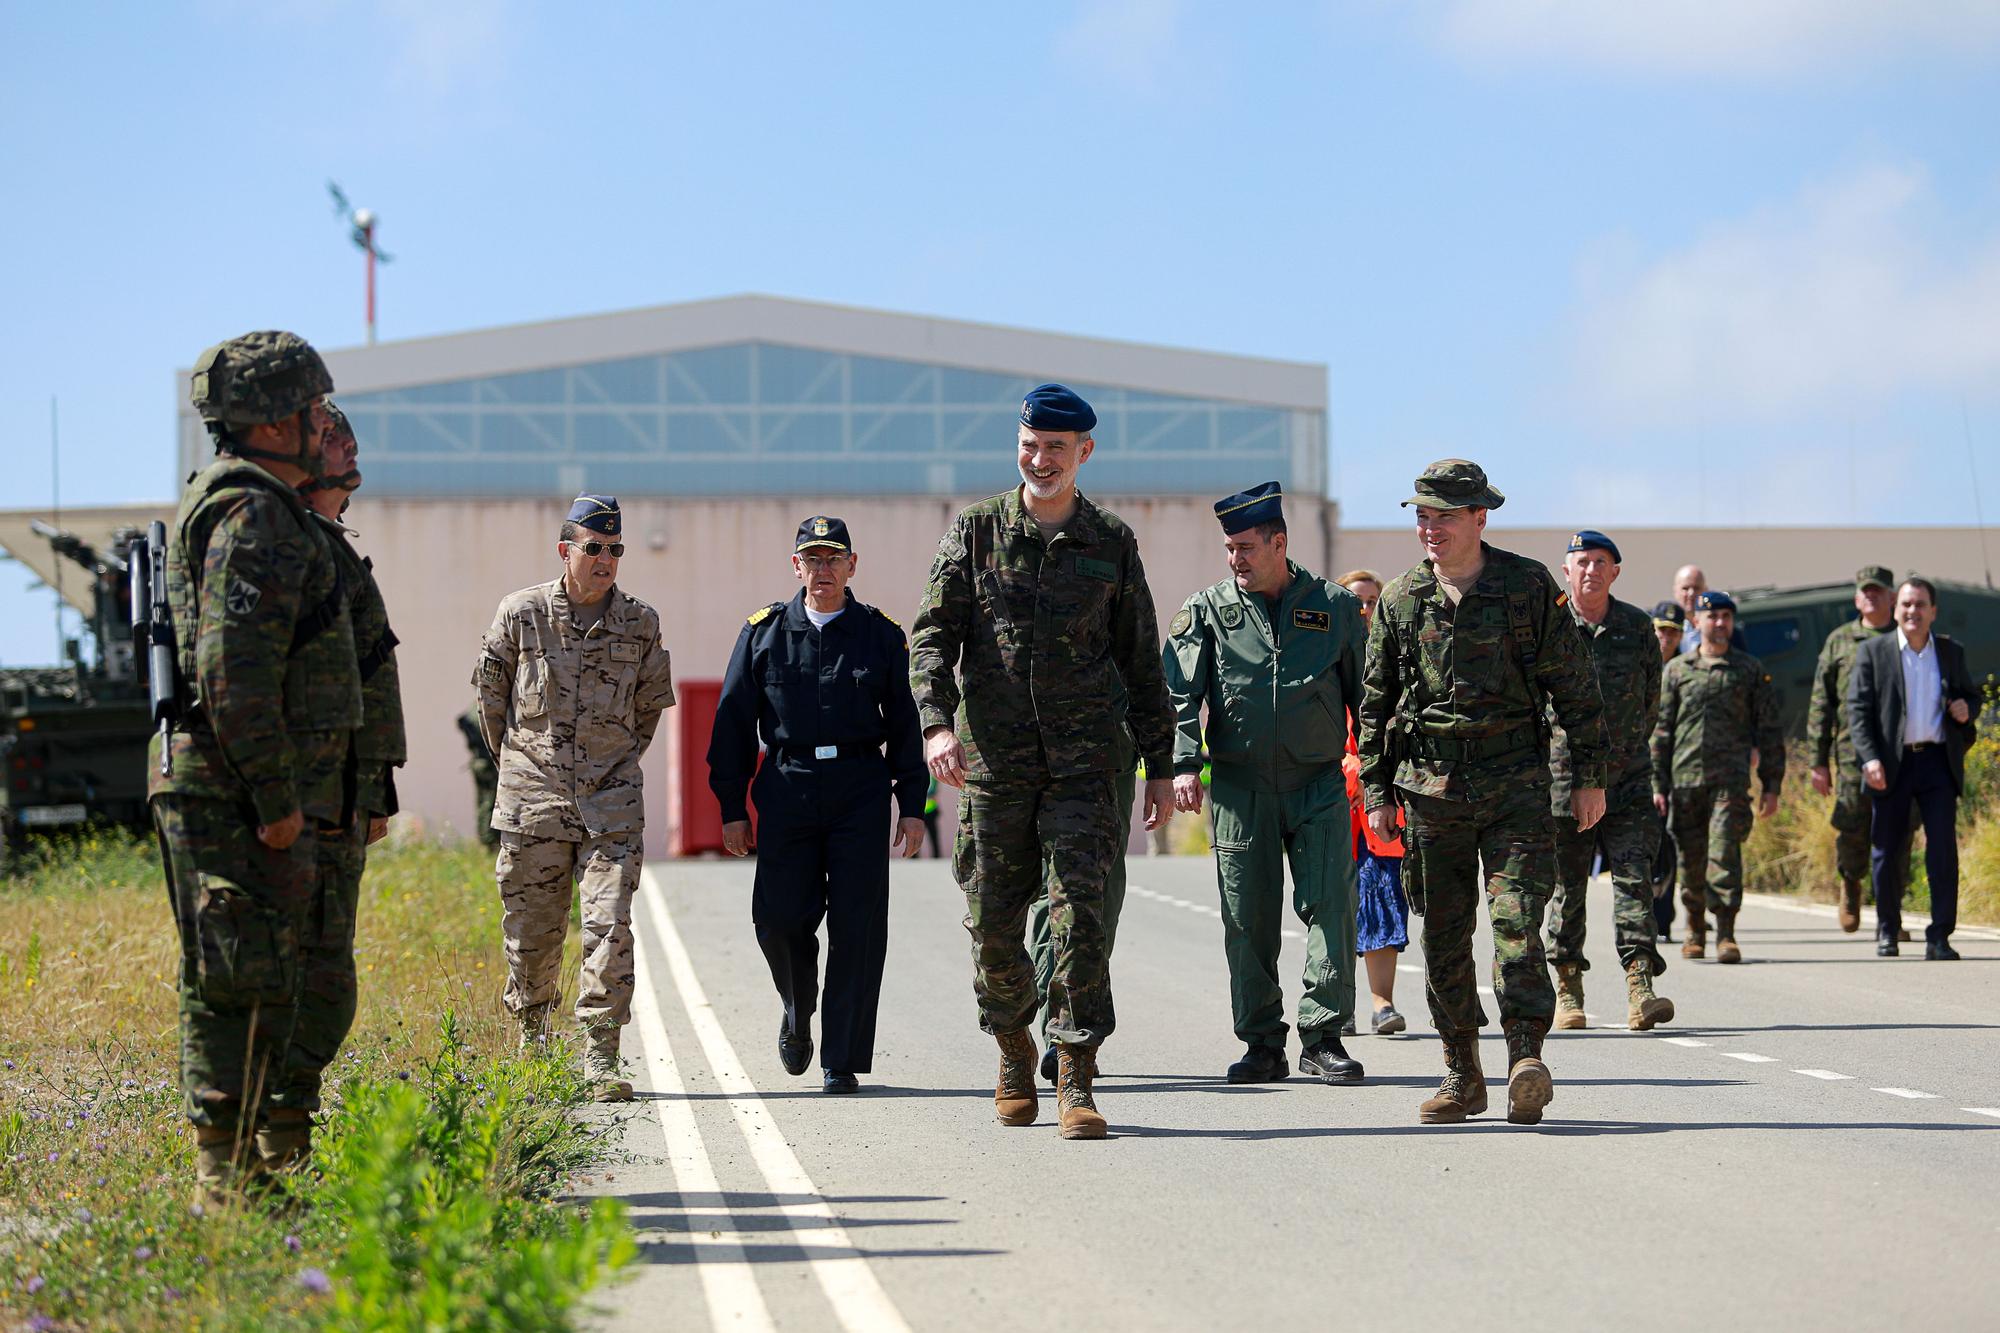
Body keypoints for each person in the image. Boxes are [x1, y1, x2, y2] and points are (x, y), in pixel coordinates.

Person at [910, 383, 1176, 1141]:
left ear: (1083, 453)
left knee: (1080, 917)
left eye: (1055, 448)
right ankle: (1012, 1042)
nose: (1040, 459)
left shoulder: (1111, 542)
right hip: (994, 762)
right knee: (993, 921)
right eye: (1030, 444)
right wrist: (935, 724)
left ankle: (1075, 1070)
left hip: (1089, 763)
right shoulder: (974, 532)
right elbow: (933, 635)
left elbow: (1139, 659)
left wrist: (1161, 763)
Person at [152, 331, 359, 1202]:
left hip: (249, 788)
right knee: (234, 977)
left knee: (266, 972)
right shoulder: (254, 515)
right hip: (235, 792)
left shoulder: (261, 505)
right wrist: (276, 798)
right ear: (274, 421)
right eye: (312, 410)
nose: (323, 424)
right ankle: (223, 1178)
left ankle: (246, 1167)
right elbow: (232, 671)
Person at [1357, 460, 1608, 1127]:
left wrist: (1589, 775)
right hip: (1430, 794)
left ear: (1479, 518)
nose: (1429, 527)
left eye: (1443, 515)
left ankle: (1526, 1055)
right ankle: (1461, 1071)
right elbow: (1376, 702)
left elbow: (1577, 689)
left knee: (1517, 924)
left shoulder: (1527, 588)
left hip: (1515, 788)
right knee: (1443, 939)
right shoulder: (1401, 599)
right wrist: (1377, 791)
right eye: (1422, 515)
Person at [707, 516, 927, 1094]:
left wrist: (912, 805)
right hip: (788, 784)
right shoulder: (763, 634)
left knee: (858, 926)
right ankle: (797, 1006)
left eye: (833, 558)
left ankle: (842, 1057)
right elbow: (731, 724)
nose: (822, 569)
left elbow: (905, 725)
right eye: (812, 558)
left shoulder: (880, 635)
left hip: (859, 785)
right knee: (778, 919)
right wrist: (732, 806)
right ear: (795, 565)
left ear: (852, 565)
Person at [473, 495, 676, 1101]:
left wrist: (607, 767)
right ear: (567, 551)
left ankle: (600, 1054)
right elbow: (491, 705)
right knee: (532, 931)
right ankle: (533, 1039)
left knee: (608, 926)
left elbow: (647, 710)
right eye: (595, 548)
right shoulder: (521, 613)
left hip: (611, 803)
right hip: (532, 800)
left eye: (615, 550)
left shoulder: (641, 622)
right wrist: (525, 767)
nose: (607, 559)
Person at [1162, 484, 1366, 1085]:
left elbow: (1369, 698)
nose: (1236, 559)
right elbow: (1180, 694)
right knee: (1246, 917)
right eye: (1229, 549)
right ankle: (1261, 1043)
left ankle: (1324, 1037)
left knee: (1331, 908)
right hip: (1239, 787)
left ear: (1280, 542)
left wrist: (1377, 777)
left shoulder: (1333, 607)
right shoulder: (1206, 610)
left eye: (1247, 547)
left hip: (1319, 785)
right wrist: (1182, 764)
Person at [260, 402, 408, 1170]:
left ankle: (285, 1138)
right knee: (308, 978)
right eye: (327, 436)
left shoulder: (331, 547)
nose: (344, 446)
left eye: (345, 435)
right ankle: (271, 1143)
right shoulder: (292, 544)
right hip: (306, 800)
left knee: (326, 974)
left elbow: (362, 675)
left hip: (340, 797)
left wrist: (375, 789)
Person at [1545, 532, 1675, 1032]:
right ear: (1567, 569)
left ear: (1615, 572)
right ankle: (1568, 987)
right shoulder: (1552, 626)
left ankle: (1640, 986)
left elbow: (1650, 704)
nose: (1592, 570)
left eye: (1601, 562)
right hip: (1565, 779)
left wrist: (1620, 751)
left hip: (1628, 779)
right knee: (1567, 887)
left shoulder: (1637, 627)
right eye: (1583, 562)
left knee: (1634, 882)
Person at [1848, 577, 1983, 960]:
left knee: (1942, 851)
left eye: (1921, 604)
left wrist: (1966, 709)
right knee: (1887, 851)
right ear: (1895, 609)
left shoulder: (1949, 652)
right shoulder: (1875, 653)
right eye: (1906, 604)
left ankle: (1939, 936)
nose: (1913, 611)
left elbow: (1971, 696)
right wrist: (1869, 757)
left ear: (1933, 611)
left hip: (1938, 763)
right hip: (1892, 764)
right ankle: (1888, 929)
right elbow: (1857, 712)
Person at [1652, 591, 1783, 963]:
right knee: (1691, 859)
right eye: (1712, 617)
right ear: (1697, 622)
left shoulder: (1749, 670)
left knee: (1725, 853)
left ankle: (1726, 931)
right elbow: (1661, 733)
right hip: (1685, 781)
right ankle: (1695, 928)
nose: (1720, 623)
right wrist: (1658, 785)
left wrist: (1772, 784)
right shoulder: (1677, 672)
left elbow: (1769, 729)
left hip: (1730, 782)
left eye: (1726, 616)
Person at [1028, 737, 1138, 1083]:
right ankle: (1059, 1037)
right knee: (1055, 901)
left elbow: (1150, 689)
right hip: (1037, 754)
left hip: (1111, 757)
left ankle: (1078, 1027)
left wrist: (1165, 769)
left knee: (1101, 902)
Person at [1805, 566, 1899, 933]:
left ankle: (1891, 912)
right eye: (1866, 592)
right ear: (1857, 598)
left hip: (1897, 752)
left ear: (1892, 597)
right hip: (1849, 755)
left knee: (1896, 830)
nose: (1872, 597)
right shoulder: (1840, 641)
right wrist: (1818, 761)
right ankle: (1851, 884)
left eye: (1879, 592)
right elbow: (1820, 703)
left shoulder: (1904, 637)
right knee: (1853, 827)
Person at [1336, 568, 1408, 1038]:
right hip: (1334, 806)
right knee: (1334, 907)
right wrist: (1349, 768)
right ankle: (1335, 1004)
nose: (1364, 610)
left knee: (1383, 899)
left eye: (1371, 601)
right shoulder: (1320, 656)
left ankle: (1382, 1004)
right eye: (1355, 601)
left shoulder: (1399, 659)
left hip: (1383, 806)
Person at [1647, 602, 1685, 940]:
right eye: (1662, 630)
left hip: (1677, 768)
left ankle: (1664, 919)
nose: (1667, 638)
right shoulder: (1640, 663)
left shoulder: (1686, 668)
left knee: (1668, 845)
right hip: (1638, 768)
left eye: (1673, 632)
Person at [458, 705, 500, 849]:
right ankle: (489, 839)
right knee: (489, 803)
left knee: (485, 802)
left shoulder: (472, 712)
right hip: (489, 765)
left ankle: (487, 838)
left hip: (481, 764)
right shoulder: (485, 711)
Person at [1651, 601, 1686, 665]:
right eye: (1662, 629)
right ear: (1652, 630)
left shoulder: (1688, 667)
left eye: (1673, 631)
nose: (1666, 637)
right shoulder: (1637, 661)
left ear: (1681, 635)